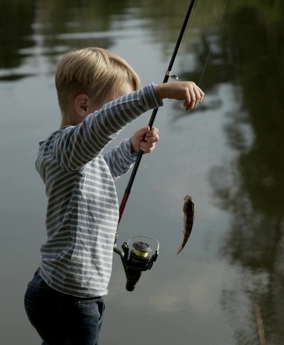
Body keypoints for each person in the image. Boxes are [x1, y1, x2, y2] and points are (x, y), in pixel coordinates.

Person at [24, 47, 204, 345]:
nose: (119, 123)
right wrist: (157, 93)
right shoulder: (64, 148)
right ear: (83, 105)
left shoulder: (76, 158)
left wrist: (130, 149)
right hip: (69, 300)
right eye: (115, 107)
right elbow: (102, 126)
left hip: (64, 294)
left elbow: (100, 172)